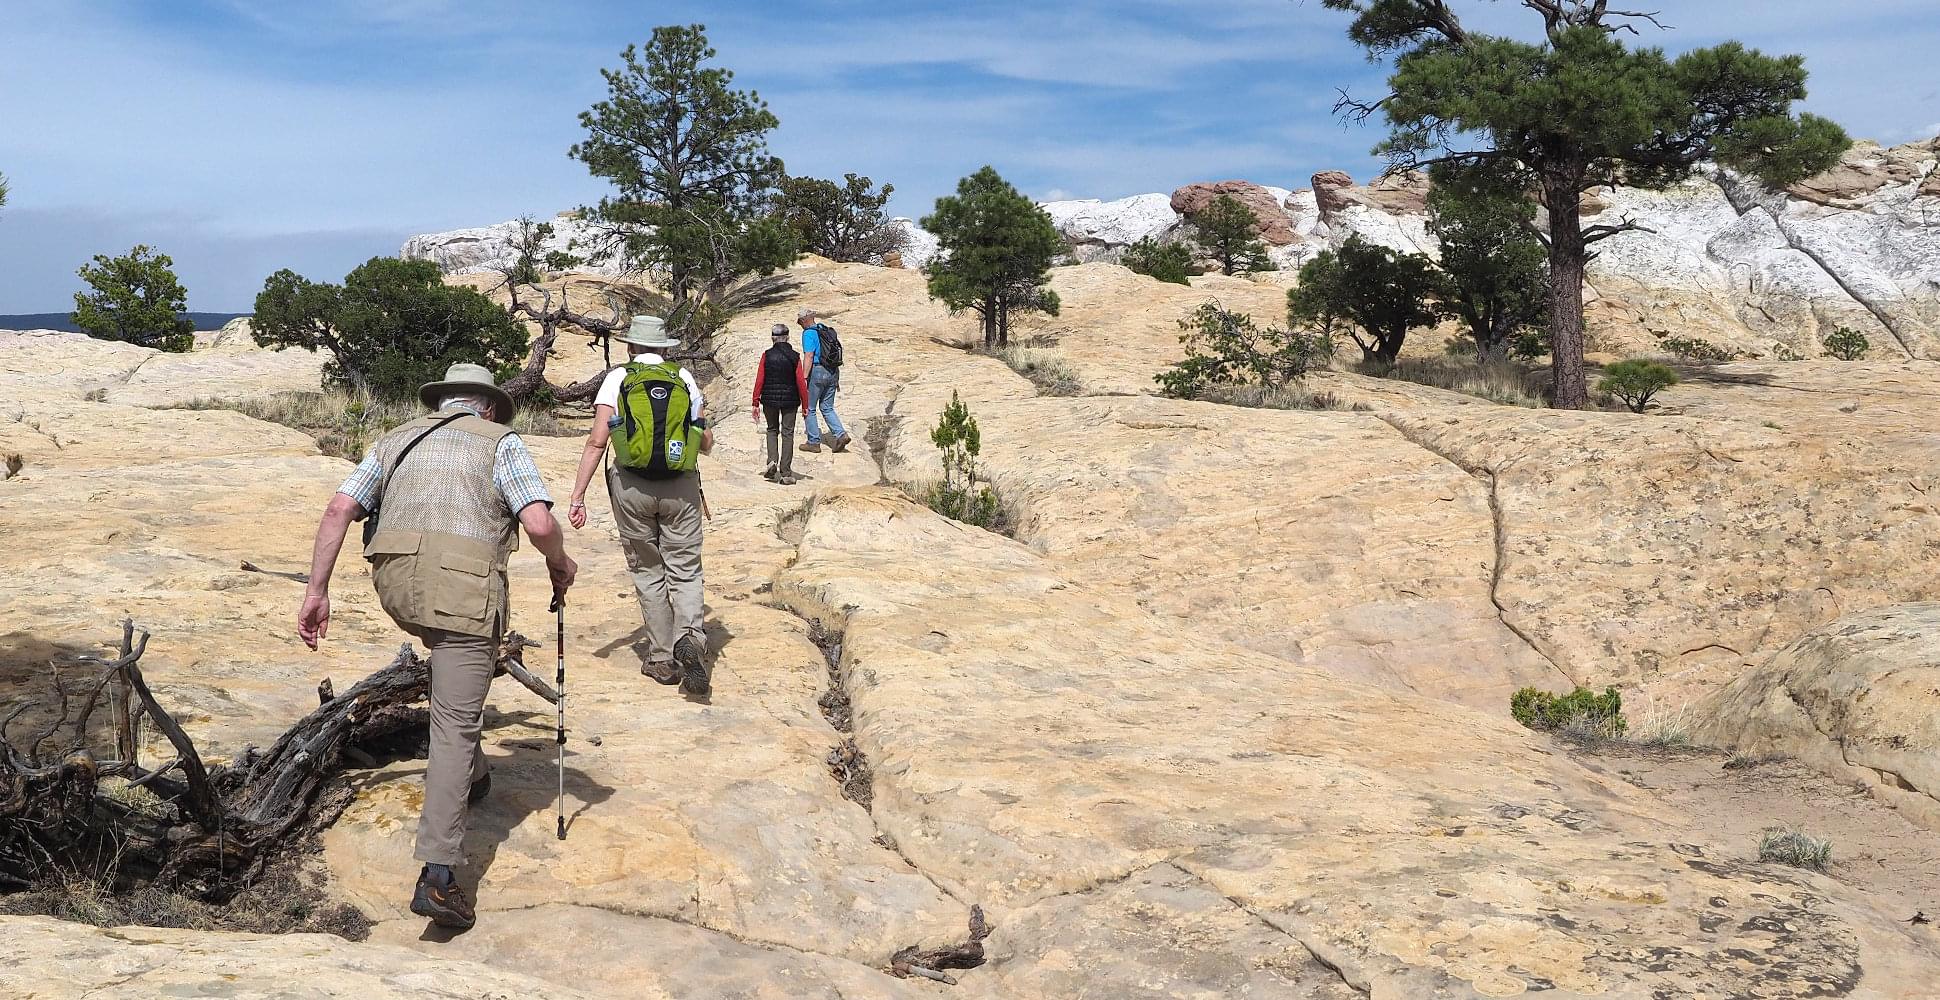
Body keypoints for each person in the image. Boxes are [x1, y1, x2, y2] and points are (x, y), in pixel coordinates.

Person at [296, 362, 577, 932]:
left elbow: (338, 510)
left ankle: (473, 778)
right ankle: (439, 876)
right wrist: (560, 564)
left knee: (450, 675)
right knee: (454, 723)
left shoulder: (394, 440)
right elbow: (540, 523)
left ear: (443, 403)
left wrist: (316, 590)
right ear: (489, 407)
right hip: (463, 594)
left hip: (397, 588)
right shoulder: (501, 442)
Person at [567, 315, 715, 697]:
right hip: (681, 486)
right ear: (665, 348)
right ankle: (691, 640)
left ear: (631, 347)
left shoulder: (618, 379)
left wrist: (578, 496)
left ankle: (662, 657)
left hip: (631, 487)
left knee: (648, 570)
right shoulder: (683, 379)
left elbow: (598, 441)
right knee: (684, 570)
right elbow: (705, 440)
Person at [751, 322, 808, 484]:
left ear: (772, 338)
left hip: (769, 399)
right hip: (791, 400)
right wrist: (805, 405)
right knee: (787, 433)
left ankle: (772, 461)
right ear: (788, 338)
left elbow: (759, 379)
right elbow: (800, 383)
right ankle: (786, 473)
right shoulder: (795, 356)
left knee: (772, 430)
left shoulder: (766, 355)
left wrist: (755, 401)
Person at [797, 307, 850, 454]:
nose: (800, 325)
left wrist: (804, 377)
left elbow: (809, 355)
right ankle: (841, 434)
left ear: (803, 320)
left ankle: (813, 442)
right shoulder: (824, 330)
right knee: (827, 407)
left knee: (810, 407)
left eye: (800, 322)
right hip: (833, 371)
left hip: (817, 371)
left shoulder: (808, 333)